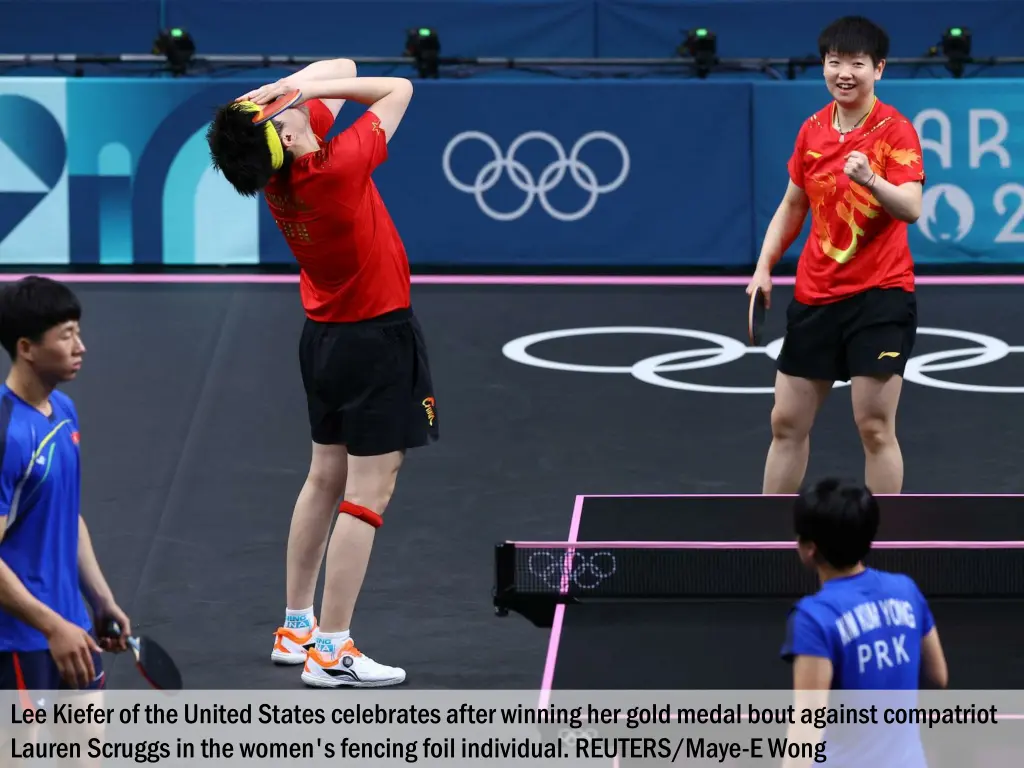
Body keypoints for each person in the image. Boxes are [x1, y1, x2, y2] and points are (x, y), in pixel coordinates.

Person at [206, 59, 437, 688]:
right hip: (375, 342)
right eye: (285, 113)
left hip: (325, 340)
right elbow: (398, 87)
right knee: (370, 491)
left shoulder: (287, 168)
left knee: (323, 477)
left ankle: (296, 625)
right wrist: (300, 91)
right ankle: (333, 649)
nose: (295, 106)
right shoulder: (333, 168)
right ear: (290, 137)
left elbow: (342, 66)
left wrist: (277, 97)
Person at [747, 16, 925, 495]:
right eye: (834, 62)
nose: (844, 73)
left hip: (880, 296)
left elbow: (911, 208)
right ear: (823, 66)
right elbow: (792, 205)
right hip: (816, 295)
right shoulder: (811, 131)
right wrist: (764, 268)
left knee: (874, 427)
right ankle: (766, 539)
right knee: (785, 423)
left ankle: (884, 538)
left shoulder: (897, 131)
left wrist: (870, 178)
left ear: (878, 70)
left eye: (857, 64)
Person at [0, 276, 132, 695]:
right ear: (26, 348)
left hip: (73, 629)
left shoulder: (64, 411)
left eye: (78, 332)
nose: (81, 347)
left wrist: (100, 600)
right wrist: (51, 626)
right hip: (21, 641)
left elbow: (64, 514)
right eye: (67, 336)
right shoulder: (8, 435)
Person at [778, 478, 948, 768]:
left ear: (809, 549)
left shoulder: (815, 617)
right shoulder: (906, 591)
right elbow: (938, 677)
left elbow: (807, 728)